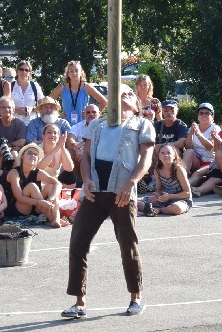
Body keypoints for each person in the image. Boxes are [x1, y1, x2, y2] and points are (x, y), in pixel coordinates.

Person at [63, 86, 155, 319]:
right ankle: (79, 303)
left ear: (136, 105)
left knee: (128, 245)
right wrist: (85, 180)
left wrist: (131, 183)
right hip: (95, 192)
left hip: (121, 192)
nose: (124, 94)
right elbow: (85, 156)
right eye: (120, 92)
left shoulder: (141, 124)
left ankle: (136, 298)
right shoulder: (97, 124)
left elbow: (146, 159)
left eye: (130, 93)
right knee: (78, 242)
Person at [6, 143, 66, 227]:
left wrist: (50, 200)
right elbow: (19, 197)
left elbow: (57, 183)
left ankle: (56, 219)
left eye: (35, 154)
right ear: (22, 156)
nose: (33, 156)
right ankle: (51, 218)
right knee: (32, 186)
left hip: (36, 207)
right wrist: (39, 202)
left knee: (51, 187)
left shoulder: (38, 172)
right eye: (30, 153)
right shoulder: (14, 173)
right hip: (19, 208)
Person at [138, 144, 191, 217]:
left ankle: (157, 210)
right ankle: (152, 209)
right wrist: (157, 195)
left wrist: (169, 196)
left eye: (169, 153)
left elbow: (187, 193)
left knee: (176, 209)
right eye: (162, 153)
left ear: (174, 156)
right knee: (135, 202)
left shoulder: (179, 170)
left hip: (180, 199)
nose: (166, 155)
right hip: (163, 199)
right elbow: (159, 190)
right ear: (159, 156)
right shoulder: (157, 170)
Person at [49, 60, 107, 126]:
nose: (74, 73)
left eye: (76, 70)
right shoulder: (62, 87)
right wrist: (57, 116)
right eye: (71, 71)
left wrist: (93, 115)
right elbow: (47, 102)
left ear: (81, 72)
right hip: (65, 125)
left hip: (83, 124)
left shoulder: (87, 87)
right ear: (67, 73)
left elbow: (104, 102)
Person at [183, 103, 219, 189]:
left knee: (197, 173)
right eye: (201, 113)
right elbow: (187, 146)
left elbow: (210, 147)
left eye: (207, 113)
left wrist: (199, 134)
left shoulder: (215, 128)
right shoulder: (193, 128)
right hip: (196, 160)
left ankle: (183, 188)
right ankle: (182, 178)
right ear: (198, 116)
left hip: (210, 162)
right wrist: (191, 133)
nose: (204, 115)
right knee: (189, 152)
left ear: (212, 116)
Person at [0, 97, 27, 169]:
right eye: (3, 107)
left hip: (15, 152)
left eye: (9, 107)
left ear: (13, 110)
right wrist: (9, 146)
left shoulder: (20, 124)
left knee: (14, 153)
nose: (6, 110)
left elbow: (21, 142)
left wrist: (7, 146)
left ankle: (17, 174)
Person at [38, 123, 76, 189]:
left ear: (59, 137)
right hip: (38, 182)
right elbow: (39, 168)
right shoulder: (36, 149)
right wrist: (56, 149)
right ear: (43, 135)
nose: (52, 135)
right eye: (49, 132)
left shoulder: (61, 150)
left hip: (55, 183)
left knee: (71, 175)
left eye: (55, 133)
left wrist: (62, 148)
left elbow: (69, 168)